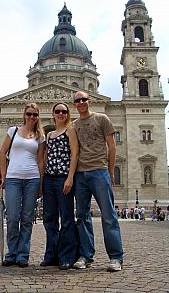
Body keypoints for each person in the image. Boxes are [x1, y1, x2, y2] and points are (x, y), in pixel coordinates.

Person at [72, 91, 124, 271]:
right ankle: (86, 256)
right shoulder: (74, 125)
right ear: (74, 104)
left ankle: (116, 258)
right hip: (80, 174)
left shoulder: (102, 118)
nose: (81, 102)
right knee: (82, 216)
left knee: (109, 216)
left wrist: (110, 172)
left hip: (100, 172)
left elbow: (112, 146)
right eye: (77, 100)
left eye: (83, 99)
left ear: (90, 101)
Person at [0, 103, 45, 267]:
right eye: (29, 114)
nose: (31, 117)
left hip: (32, 179)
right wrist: (3, 175)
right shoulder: (13, 131)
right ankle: (11, 253)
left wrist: (41, 183)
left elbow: (40, 161)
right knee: (12, 217)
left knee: (26, 219)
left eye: (34, 114)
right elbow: (2, 152)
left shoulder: (40, 135)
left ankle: (22, 255)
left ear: (37, 117)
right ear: (24, 115)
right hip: (13, 178)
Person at [41, 102, 79, 270]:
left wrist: (70, 178)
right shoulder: (49, 135)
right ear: (53, 114)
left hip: (63, 178)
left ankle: (66, 256)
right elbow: (45, 158)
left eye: (64, 111)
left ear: (68, 113)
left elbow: (75, 154)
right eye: (58, 111)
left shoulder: (71, 130)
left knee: (66, 218)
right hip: (49, 179)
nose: (61, 114)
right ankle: (51, 255)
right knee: (49, 219)